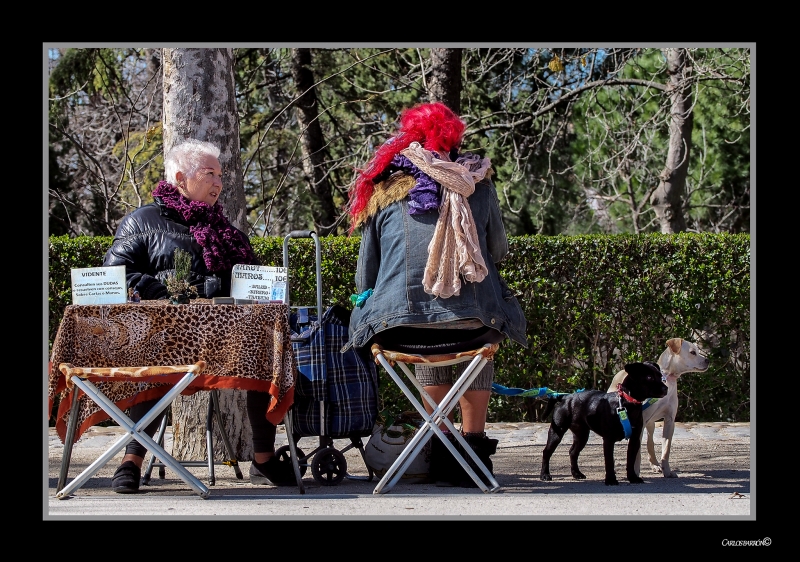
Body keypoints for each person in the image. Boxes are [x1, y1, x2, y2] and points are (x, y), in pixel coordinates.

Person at [344, 102, 528, 487]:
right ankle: (472, 451)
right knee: (473, 327)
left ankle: (440, 441)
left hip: (398, 328)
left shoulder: (384, 189)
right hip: (473, 327)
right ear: (454, 139)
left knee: (428, 329)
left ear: (409, 139)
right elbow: (497, 251)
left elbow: (366, 272)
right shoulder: (476, 183)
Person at [103, 138, 295, 492]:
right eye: (210, 174)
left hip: (224, 341)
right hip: (167, 338)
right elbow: (114, 274)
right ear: (180, 177)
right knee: (156, 353)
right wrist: (162, 289)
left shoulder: (229, 233)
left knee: (266, 349)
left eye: (221, 175)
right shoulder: (142, 221)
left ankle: (264, 459)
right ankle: (131, 458)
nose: (219, 184)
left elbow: (251, 283)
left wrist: (261, 290)